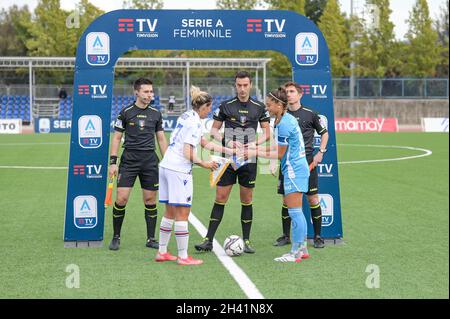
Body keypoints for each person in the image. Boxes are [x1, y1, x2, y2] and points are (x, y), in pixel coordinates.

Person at [155, 86, 235, 265]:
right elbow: (187, 152)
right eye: (210, 107)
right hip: (179, 170)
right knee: (183, 213)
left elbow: (203, 142)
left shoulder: (187, 116)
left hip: (166, 166)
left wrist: (227, 150)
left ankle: (162, 252)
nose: (210, 111)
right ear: (204, 106)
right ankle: (183, 257)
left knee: (169, 211)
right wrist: (205, 164)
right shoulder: (195, 122)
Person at [195, 71, 271, 254]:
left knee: (247, 199)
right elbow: (213, 131)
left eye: (245, 85)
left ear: (250, 85)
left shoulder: (259, 107)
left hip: (249, 159)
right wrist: (227, 141)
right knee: (221, 197)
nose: (242, 89)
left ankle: (247, 240)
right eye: (239, 85)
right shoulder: (226, 106)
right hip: (229, 159)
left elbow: (268, 133)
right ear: (235, 85)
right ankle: (208, 240)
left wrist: (254, 143)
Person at [246, 87, 310, 262]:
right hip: (295, 168)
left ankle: (295, 251)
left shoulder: (284, 124)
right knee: (296, 211)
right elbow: (277, 148)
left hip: (294, 170)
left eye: (269, 105)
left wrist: (255, 152)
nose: (266, 108)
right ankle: (302, 249)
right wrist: (256, 147)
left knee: (295, 211)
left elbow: (280, 153)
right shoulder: (281, 120)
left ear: (279, 105)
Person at [108, 78, 168, 251]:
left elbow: (161, 138)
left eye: (151, 91)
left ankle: (151, 239)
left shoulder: (156, 113)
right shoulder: (125, 112)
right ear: (137, 92)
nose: (150, 95)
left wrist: (168, 161)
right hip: (129, 160)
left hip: (150, 160)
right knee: (121, 198)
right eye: (146, 91)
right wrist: (113, 162)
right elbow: (117, 138)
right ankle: (116, 237)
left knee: (150, 199)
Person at [273, 82, 329, 249]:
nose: (289, 94)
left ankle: (318, 236)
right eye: (287, 92)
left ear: (300, 94)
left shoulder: (310, 114)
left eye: (292, 91)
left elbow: (324, 133)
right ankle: (285, 235)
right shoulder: (282, 116)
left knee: (312, 199)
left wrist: (321, 152)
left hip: (306, 163)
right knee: (286, 200)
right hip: (286, 163)